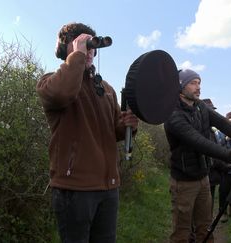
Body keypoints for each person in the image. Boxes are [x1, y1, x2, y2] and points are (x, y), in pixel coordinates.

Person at [36, 22, 139, 243]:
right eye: (84, 44)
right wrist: (77, 56)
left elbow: (115, 132)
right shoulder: (49, 82)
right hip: (74, 189)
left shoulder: (107, 89)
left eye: (92, 46)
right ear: (68, 49)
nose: (90, 51)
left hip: (109, 187)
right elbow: (63, 93)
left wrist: (129, 125)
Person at [164, 69, 231, 243]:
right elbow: (200, 143)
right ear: (181, 86)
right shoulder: (173, 114)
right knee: (181, 231)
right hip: (183, 182)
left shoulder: (200, 106)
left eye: (199, 83)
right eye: (193, 83)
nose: (198, 87)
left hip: (203, 178)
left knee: (205, 227)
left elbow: (222, 122)